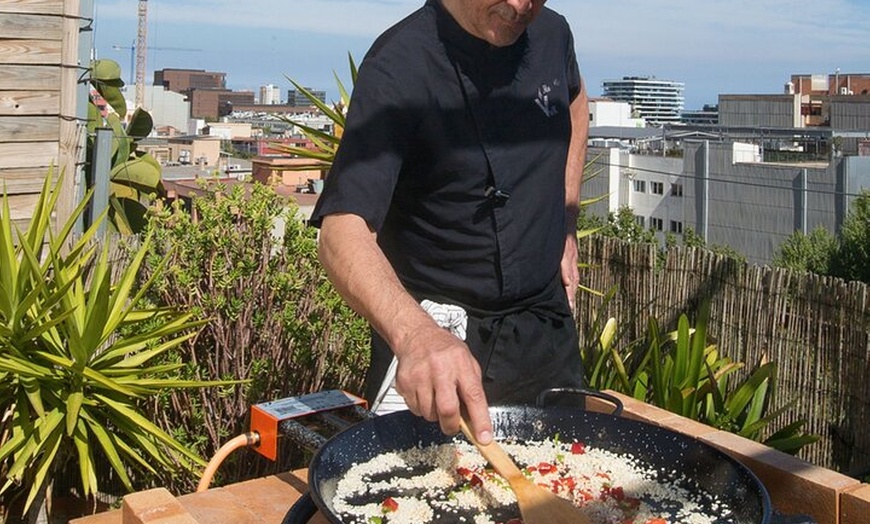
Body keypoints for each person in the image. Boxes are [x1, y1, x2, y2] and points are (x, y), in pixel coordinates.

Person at [310, 0, 589, 446]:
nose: (521, 6)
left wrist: (567, 217)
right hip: (439, 349)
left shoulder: (554, 34)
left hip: (545, 335)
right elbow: (341, 230)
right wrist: (416, 334)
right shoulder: (398, 66)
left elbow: (575, 101)